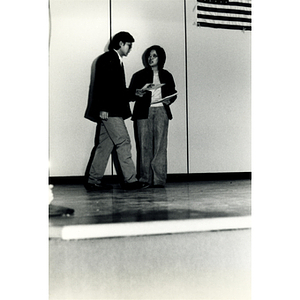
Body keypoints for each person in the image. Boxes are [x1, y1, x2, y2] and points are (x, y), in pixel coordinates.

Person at [84, 31, 146, 191]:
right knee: (123, 141)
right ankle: (131, 180)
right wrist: (103, 108)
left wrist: (133, 93)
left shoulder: (114, 60)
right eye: (129, 45)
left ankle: (93, 181)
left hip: (111, 109)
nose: (130, 48)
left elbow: (115, 89)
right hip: (110, 111)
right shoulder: (108, 59)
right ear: (121, 43)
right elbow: (102, 85)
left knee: (104, 145)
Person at [129, 45, 177, 188]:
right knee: (144, 146)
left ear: (160, 57)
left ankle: (159, 180)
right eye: (149, 56)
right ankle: (145, 180)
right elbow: (131, 94)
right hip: (143, 112)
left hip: (162, 112)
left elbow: (173, 92)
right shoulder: (138, 75)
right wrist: (138, 93)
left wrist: (170, 99)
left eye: (154, 55)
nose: (151, 58)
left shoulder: (167, 75)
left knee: (160, 147)